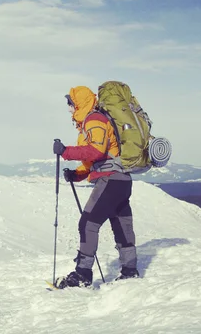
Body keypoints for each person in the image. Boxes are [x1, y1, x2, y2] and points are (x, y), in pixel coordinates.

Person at [52, 86, 140, 288]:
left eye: (70, 104)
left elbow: (96, 150)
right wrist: (78, 174)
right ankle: (129, 270)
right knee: (121, 224)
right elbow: (100, 157)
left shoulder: (95, 120)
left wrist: (66, 151)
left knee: (88, 224)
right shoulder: (98, 120)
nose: (68, 109)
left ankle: (82, 274)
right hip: (122, 181)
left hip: (110, 181)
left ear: (79, 103)